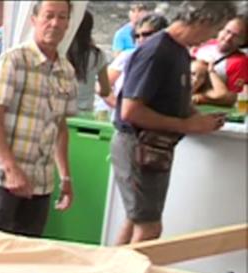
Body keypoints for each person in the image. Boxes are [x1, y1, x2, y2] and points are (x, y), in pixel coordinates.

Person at [111, 1, 235, 245]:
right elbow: (130, 110)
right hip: (138, 146)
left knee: (136, 219)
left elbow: (172, 98)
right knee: (148, 228)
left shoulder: (178, 51)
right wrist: (187, 125)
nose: (213, 36)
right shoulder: (157, 51)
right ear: (203, 22)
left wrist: (195, 116)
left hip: (153, 149)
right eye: (215, 29)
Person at [0, 0, 78, 238]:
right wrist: (11, 170)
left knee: (29, 253)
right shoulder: (13, 61)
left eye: (62, 17)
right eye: (49, 15)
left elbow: (60, 127)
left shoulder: (67, 71)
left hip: (41, 181)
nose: (55, 23)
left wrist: (65, 176)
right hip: (4, 178)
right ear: (34, 20)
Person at [192, 14, 248, 105]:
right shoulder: (207, 44)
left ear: (243, 41)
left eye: (236, 36)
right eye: (227, 31)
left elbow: (234, 97)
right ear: (220, 30)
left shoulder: (240, 62)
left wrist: (201, 98)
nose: (228, 38)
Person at [67, 10, 111, 112]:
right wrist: (91, 88)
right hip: (86, 113)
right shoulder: (98, 55)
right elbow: (105, 91)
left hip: (64, 111)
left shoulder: (62, 51)